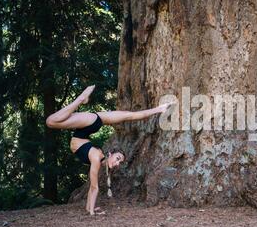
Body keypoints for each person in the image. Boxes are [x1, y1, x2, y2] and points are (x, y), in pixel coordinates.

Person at [45, 85, 173, 215]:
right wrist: (92, 214)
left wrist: (90, 209)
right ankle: (81, 99)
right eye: (118, 158)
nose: (118, 163)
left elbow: (91, 187)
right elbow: (95, 187)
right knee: (51, 121)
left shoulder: (98, 158)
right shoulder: (96, 157)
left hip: (94, 122)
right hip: (90, 123)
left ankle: (159, 109)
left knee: (129, 116)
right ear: (110, 153)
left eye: (120, 162)